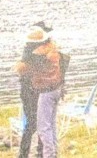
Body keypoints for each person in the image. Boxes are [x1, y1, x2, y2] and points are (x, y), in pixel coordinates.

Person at [15, 23, 62, 158]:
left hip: (40, 90)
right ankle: (33, 153)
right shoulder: (43, 50)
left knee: (41, 124)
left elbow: (21, 69)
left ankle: (41, 153)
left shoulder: (41, 51)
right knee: (40, 123)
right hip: (35, 90)